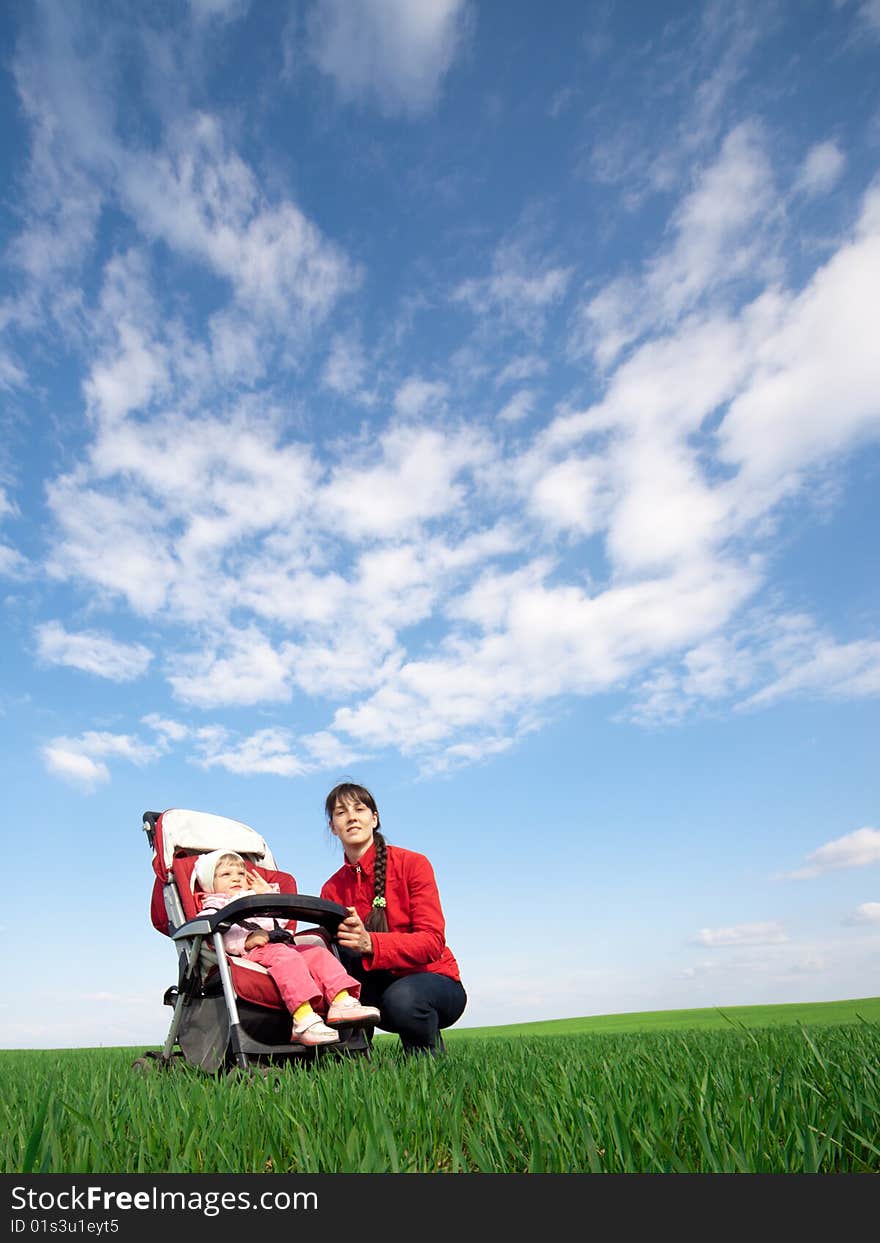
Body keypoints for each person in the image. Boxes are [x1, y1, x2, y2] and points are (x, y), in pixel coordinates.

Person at [320, 782, 467, 1056]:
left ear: (374, 819)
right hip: (376, 990)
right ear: (333, 827)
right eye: (341, 812)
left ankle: (427, 1065)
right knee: (333, 967)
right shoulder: (331, 889)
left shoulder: (412, 864)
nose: (351, 817)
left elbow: (432, 942)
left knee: (403, 998)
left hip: (433, 981)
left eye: (359, 809)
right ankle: (355, 1066)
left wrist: (371, 943)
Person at [194, 848, 380, 1048]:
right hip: (249, 953)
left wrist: (266, 896)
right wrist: (246, 941)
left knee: (316, 953)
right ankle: (303, 1019)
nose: (236, 878)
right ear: (209, 883)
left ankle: (341, 1001)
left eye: (241, 873)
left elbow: (281, 924)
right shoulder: (213, 907)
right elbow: (216, 937)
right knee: (286, 956)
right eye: (226, 874)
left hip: (279, 945)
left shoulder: (252, 898)